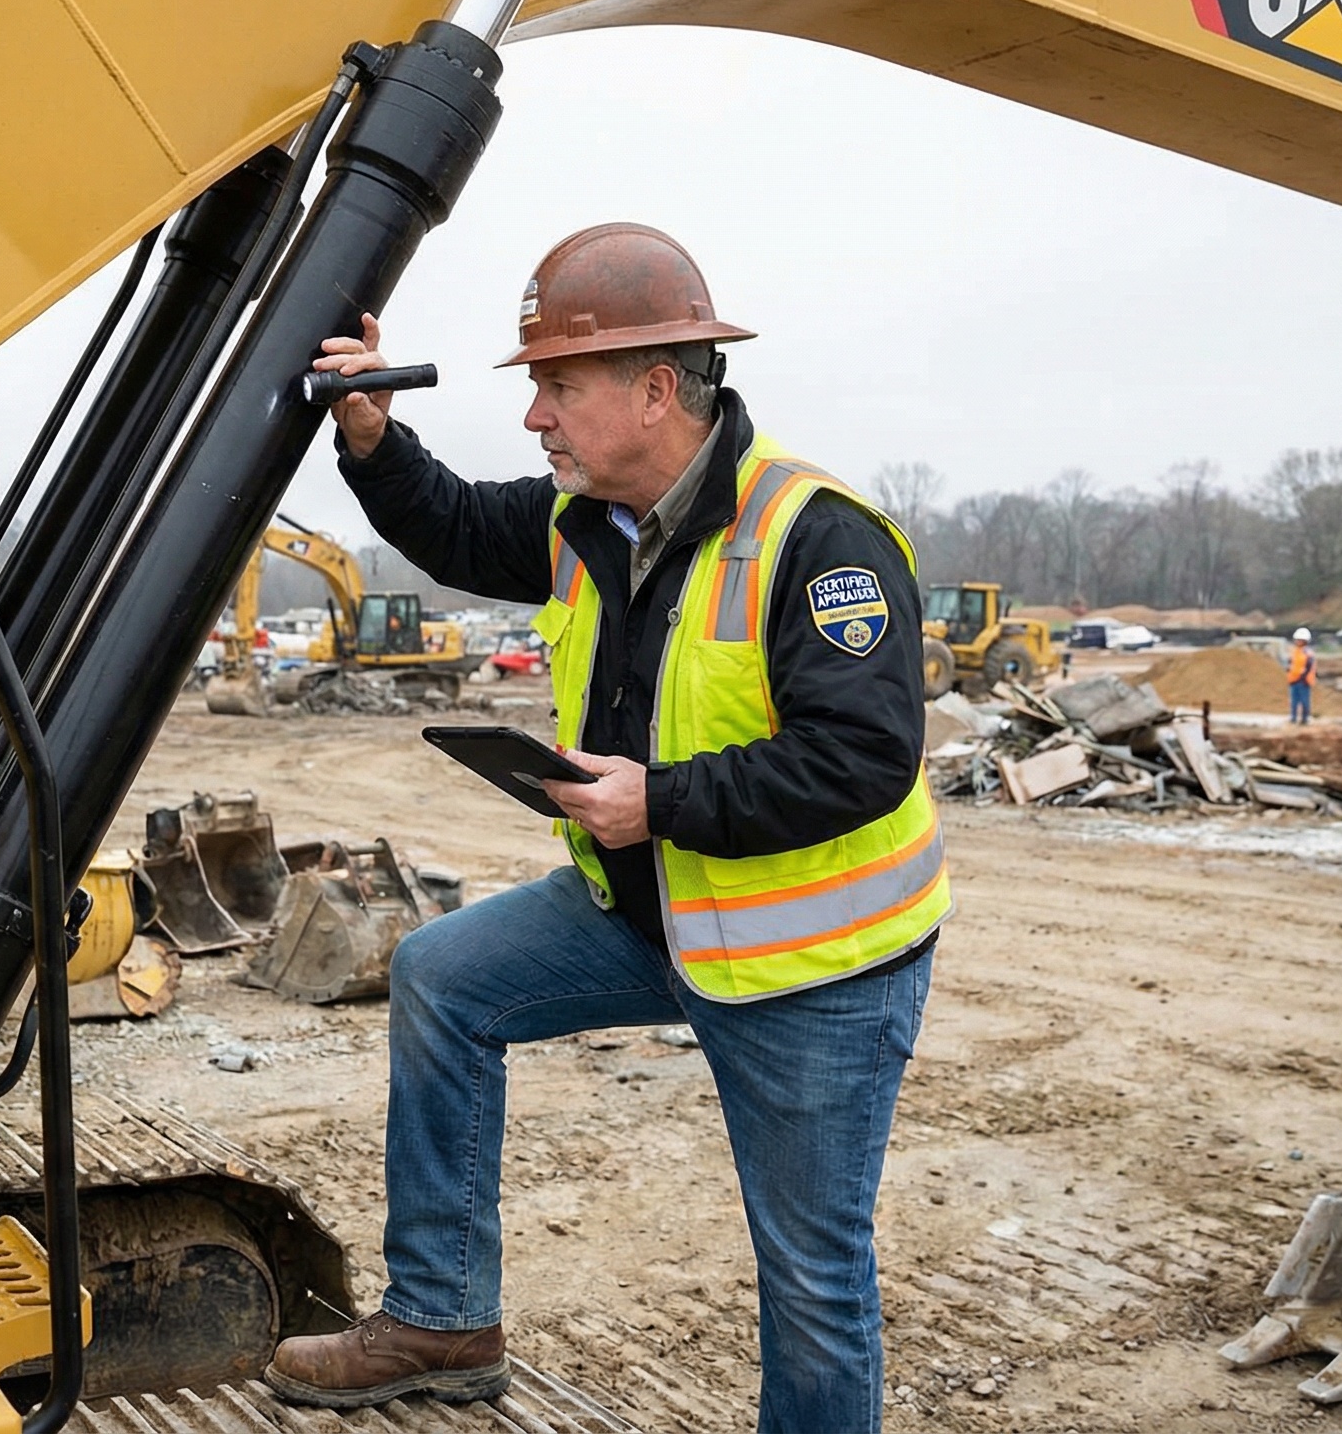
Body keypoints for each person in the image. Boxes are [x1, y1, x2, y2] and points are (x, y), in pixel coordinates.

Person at [265, 224, 944, 1433]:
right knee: (441, 977)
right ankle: (442, 1322)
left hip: (812, 967)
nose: (536, 418)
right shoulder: (590, 515)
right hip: (649, 912)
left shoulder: (817, 539)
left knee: (810, 1276)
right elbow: (459, 524)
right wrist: (369, 436)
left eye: (556, 387)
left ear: (654, 388)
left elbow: (864, 762)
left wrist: (658, 799)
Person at [1286, 626, 1316, 724]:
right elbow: (1290, 664)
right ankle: (1293, 718)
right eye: (1297, 640)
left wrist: (1303, 677)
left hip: (1303, 681)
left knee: (1304, 701)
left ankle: (1305, 718)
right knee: (1294, 701)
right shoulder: (1294, 651)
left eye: (1300, 640)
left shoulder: (1308, 653)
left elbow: (1309, 666)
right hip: (1293, 680)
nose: (1298, 642)